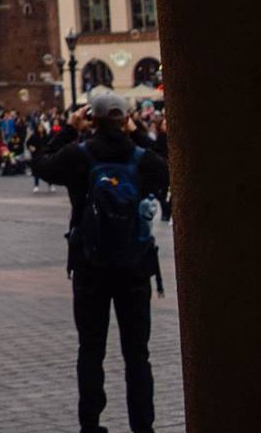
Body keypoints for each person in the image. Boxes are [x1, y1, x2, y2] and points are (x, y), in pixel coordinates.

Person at [33, 88, 170, 433]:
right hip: (135, 266)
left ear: (91, 119)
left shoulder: (78, 156)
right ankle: (143, 426)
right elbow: (169, 165)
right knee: (137, 353)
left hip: (89, 266)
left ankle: (91, 425)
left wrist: (69, 127)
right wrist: (136, 130)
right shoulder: (142, 158)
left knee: (91, 350)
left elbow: (41, 163)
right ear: (124, 119)